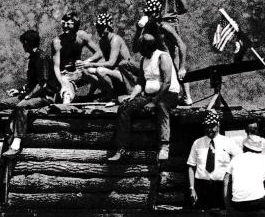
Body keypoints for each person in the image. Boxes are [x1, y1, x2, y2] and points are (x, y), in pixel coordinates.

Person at [108, 33, 181, 162]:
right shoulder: (143, 59)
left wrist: (154, 101)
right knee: (125, 107)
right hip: (150, 95)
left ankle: (164, 145)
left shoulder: (162, 57)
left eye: (141, 48)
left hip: (168, 94)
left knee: (161, 106)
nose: (140, 51)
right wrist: (132, 96)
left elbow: (167, 82)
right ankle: (122, 149)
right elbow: (141, 82)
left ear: (148, 47)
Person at [0, 30, 56, 157]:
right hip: (32, 95)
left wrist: (29, 96)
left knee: (21, 106)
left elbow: (43, 84)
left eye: (24, 43)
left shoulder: (42, 58)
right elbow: (32, 84)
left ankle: (16, 143)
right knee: (1, 103)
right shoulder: (32, 58)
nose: (23, 46)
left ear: (28, 43)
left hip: (45, 97)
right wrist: (19, 91)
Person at [186, 109, 240, 209]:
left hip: (221, 187)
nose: (209, 129)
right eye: (207, 126)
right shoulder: (197, 143)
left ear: (218, 125)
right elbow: (191, 166)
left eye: (212, 126)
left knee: (222, 216)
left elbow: (239, 161)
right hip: (202, 186)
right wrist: (192, 188)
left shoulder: (228, 142)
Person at [78, 12, 131, 103]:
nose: (99, 29)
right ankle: (105, 92)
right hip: (114, 72)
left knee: (99, 70)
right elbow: (100, 58)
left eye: (102, 27)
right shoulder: (102, 41)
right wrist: (86, 62)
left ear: (108, 27)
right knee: (87, 70)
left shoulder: (115, 40)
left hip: (125, 75)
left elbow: (111, 63)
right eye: (98, 26)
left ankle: (112, 95)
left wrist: (90, 64)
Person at [52, 11, 100, 105]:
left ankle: (106, 93)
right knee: (67, 95)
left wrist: (87, 61)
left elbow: (99, 53)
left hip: (79, 72)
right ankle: (67, 101)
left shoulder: (82, 36)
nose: (65, 26)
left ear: (76, 25)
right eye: (63, 23)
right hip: (64, 75)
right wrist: (62, 84)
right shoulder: (57, 42)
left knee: (100, 70)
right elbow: (56, 67)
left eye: (68, 24)